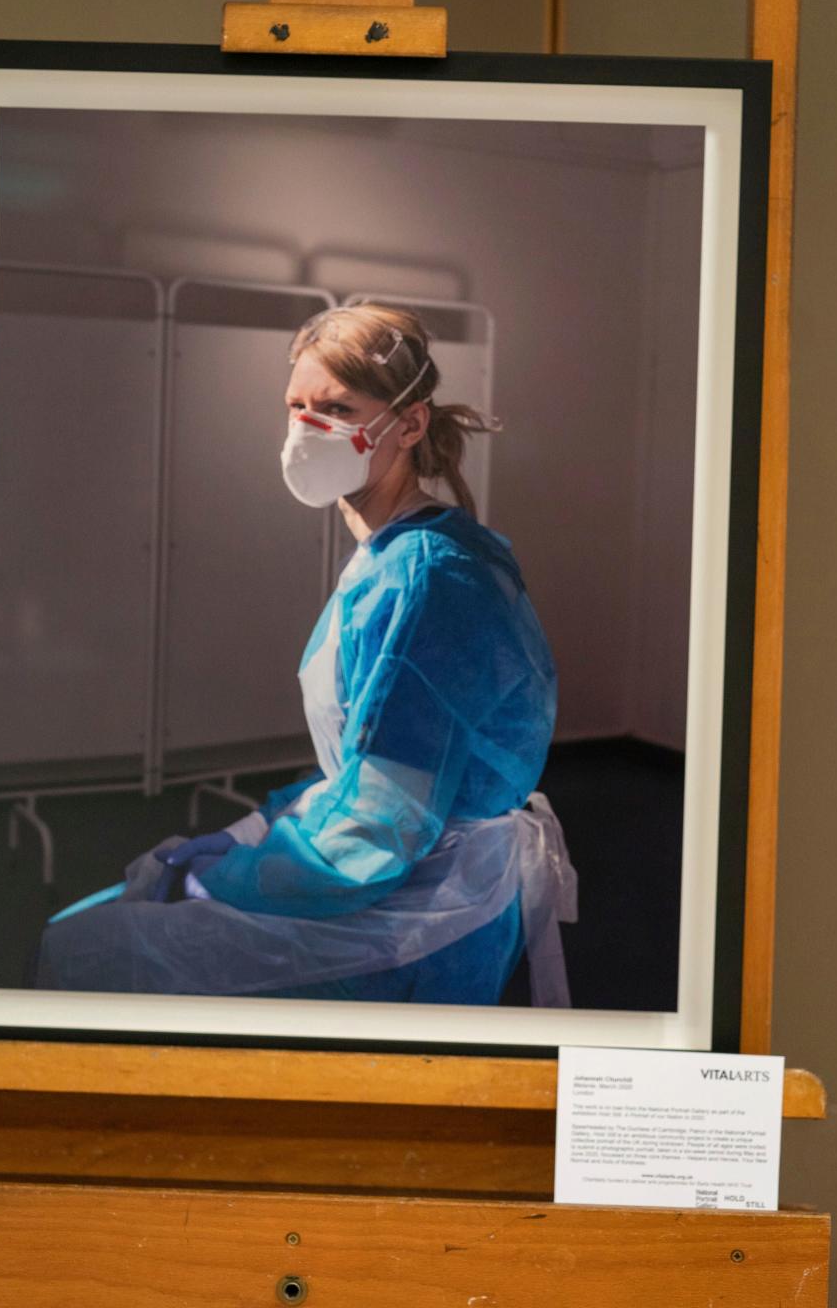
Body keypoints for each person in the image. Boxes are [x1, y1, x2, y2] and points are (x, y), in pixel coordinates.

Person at [36, 303, 576, 1004]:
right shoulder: (397, 556)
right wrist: (254, 828)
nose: (306, 429)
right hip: (396, 872)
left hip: (412, 913)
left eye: (338, 408)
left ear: (409, 425)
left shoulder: (429, 575)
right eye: (296, 406)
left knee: (81, 953)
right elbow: (370, 768)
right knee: (106, 920)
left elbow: (379, 822)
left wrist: (227, 876)